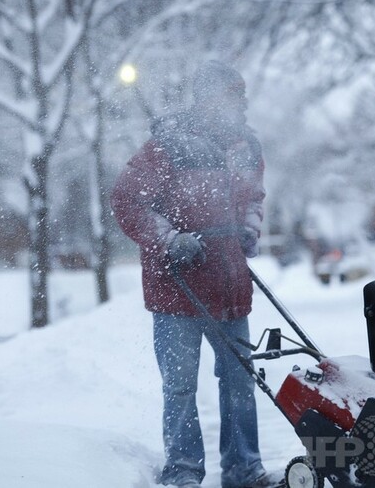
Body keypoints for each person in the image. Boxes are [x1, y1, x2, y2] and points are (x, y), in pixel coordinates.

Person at [111, 61, 278, 488]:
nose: (237, 103)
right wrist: (169, 240)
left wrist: (249, 230)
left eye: (239, 95)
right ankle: (184, 471)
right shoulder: (168, 144)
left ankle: (244, 469)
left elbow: (254, 198)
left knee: (240, 381)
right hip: (177, 285)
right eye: (229, 95)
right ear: (205, 99)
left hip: (229, 283)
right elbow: (127, 200)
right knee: (181, 387)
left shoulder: (246, 147)